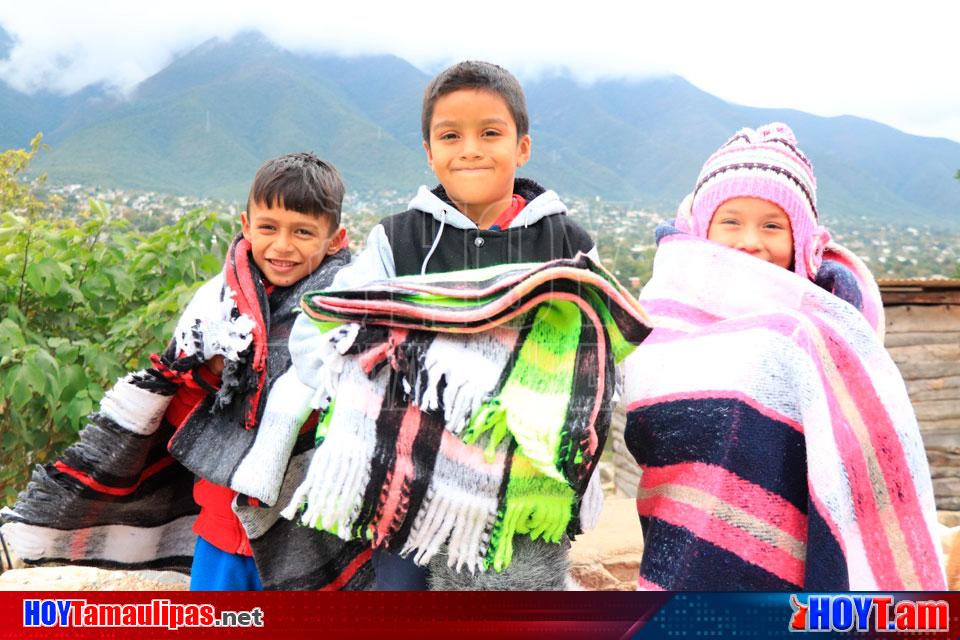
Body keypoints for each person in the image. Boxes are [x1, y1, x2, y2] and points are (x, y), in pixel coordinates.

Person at [292, 60, 602, 590]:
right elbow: (319, 334)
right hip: (405, 477)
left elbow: (598, 360)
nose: (471, 149)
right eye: (451, 135)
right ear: (429, 152)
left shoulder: (566, 245)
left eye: (490, 133)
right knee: (403, 599)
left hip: (520, 485)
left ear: (522, 147)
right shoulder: (398, 240)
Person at [2, 152, 373, 591]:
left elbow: (363, 414)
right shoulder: (215, 306)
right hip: (222, 526)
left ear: (335, 239)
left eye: (303, 232)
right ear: (246, 225)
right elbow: (176, 409)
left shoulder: (351, 314)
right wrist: (214, 375)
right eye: (268, 227)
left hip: (312, 524)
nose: (282, 246)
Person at [622, 123, 945, 590]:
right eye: (730, 221)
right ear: (701, 228)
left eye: (773, 225)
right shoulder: (660, 319)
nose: (751, 240)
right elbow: (650, 423)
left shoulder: (824, 329)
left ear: (802, 240)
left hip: (797, 551)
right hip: (683, 535)